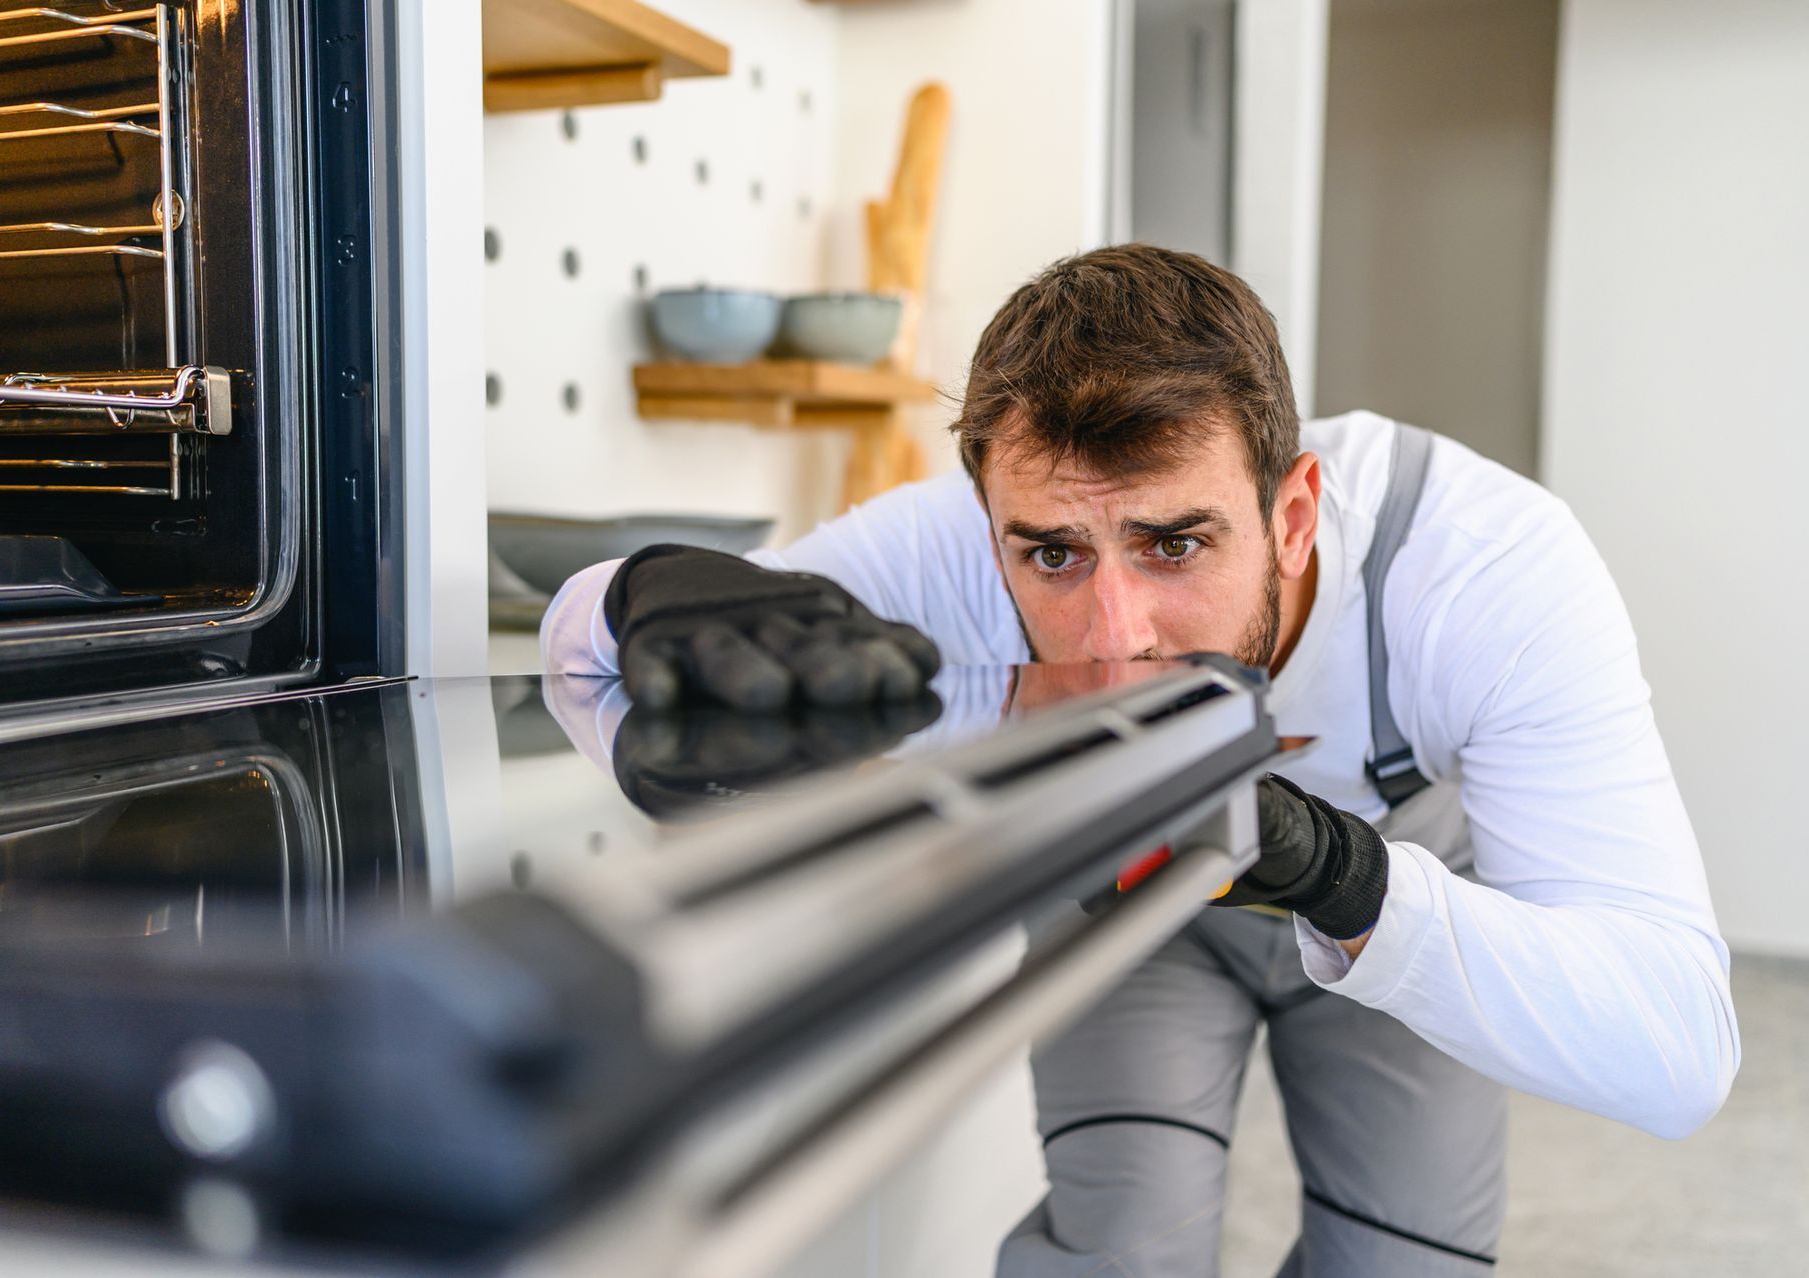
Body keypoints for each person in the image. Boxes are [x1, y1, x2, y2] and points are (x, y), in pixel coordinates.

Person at [541, 244, 1739, 1276]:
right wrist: (646, 585)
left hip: (1397, 888)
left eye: (1175, 543)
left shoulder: (1484, 570)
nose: (1118, 639)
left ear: (1296, 515)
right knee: (1123, 1257)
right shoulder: (967, 545)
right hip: (1134, 888)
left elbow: (1677, 1053)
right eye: (1055, 557)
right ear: (994, 523)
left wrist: (1340, 875)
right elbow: (612, 652)